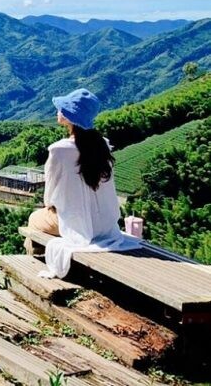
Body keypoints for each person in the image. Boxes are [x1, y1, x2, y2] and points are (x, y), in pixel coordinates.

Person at [25, 88, 140, 278]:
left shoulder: (59, 150)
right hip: (106, 225)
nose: (58, 111)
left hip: (80, 225)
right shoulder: (102, 145)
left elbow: (49, 197)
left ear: (70, 118)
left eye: (63, 109)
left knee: (33, 219)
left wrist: (56, 207)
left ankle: (32, 267)